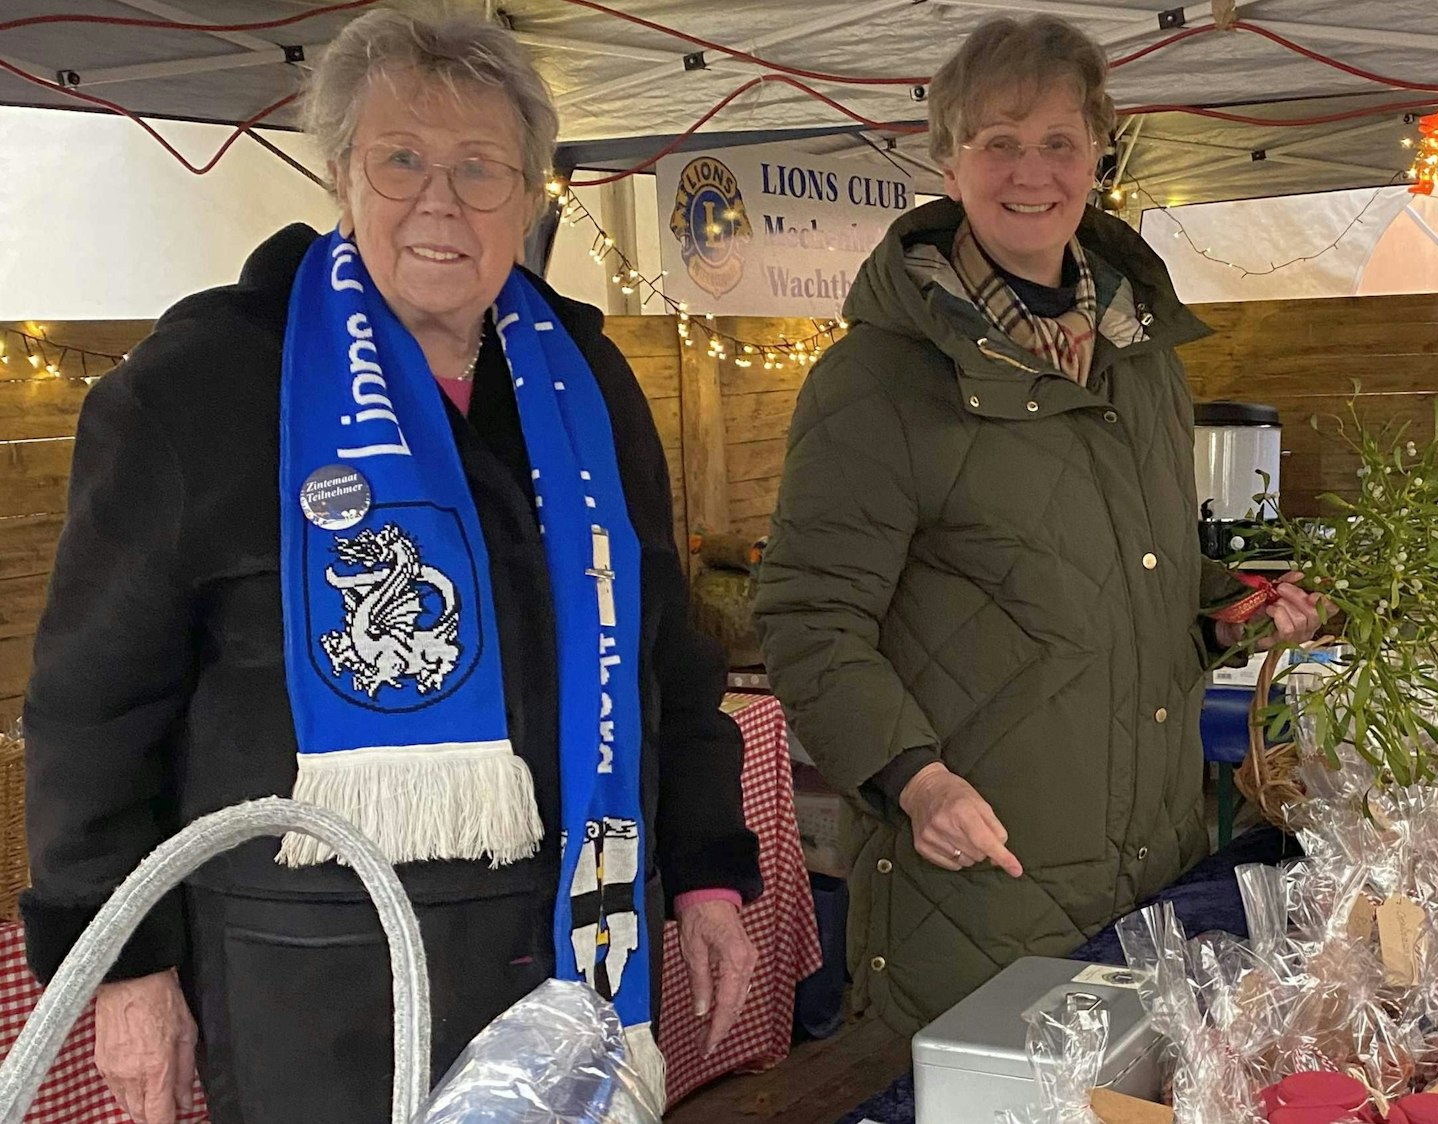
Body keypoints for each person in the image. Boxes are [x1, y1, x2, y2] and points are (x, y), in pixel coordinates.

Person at [21, 10, 760, 1123]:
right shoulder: (200, 386)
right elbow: (92, 710)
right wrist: (127, 970)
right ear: (339, 174)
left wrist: (706, 866)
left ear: (531, 193)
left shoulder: (588, 382)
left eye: (479, 169)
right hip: (311, 992)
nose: (440, 203)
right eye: (401, 160)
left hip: (571, 954)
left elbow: (665, 649)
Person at [752, 15, 1318, 1034]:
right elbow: (806, 616)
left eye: (1059, 141)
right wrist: (914, 780)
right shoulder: (879, 377)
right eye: (998, 142)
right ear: (948, 158)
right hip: (978, 882)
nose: (1032, 172)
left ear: (1101, 151)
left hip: (1150, 863)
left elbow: (1127, 575)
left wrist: (1226, 608)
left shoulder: (1141, 355)